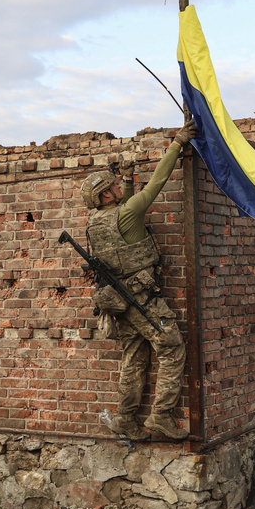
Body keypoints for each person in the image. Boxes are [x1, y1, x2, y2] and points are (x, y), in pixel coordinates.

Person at [80, 119, 197, 441]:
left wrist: (128, 178)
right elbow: (158, 182)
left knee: (134, 359)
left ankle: (126, 419)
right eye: (114, 185)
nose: (120, 186)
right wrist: (177, 143)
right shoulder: (127, 212)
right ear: (105, 195)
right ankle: (161, 416)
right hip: (143, 299)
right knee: (172, 348)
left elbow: (128, 210)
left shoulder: (96, 222)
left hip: (120, 302)